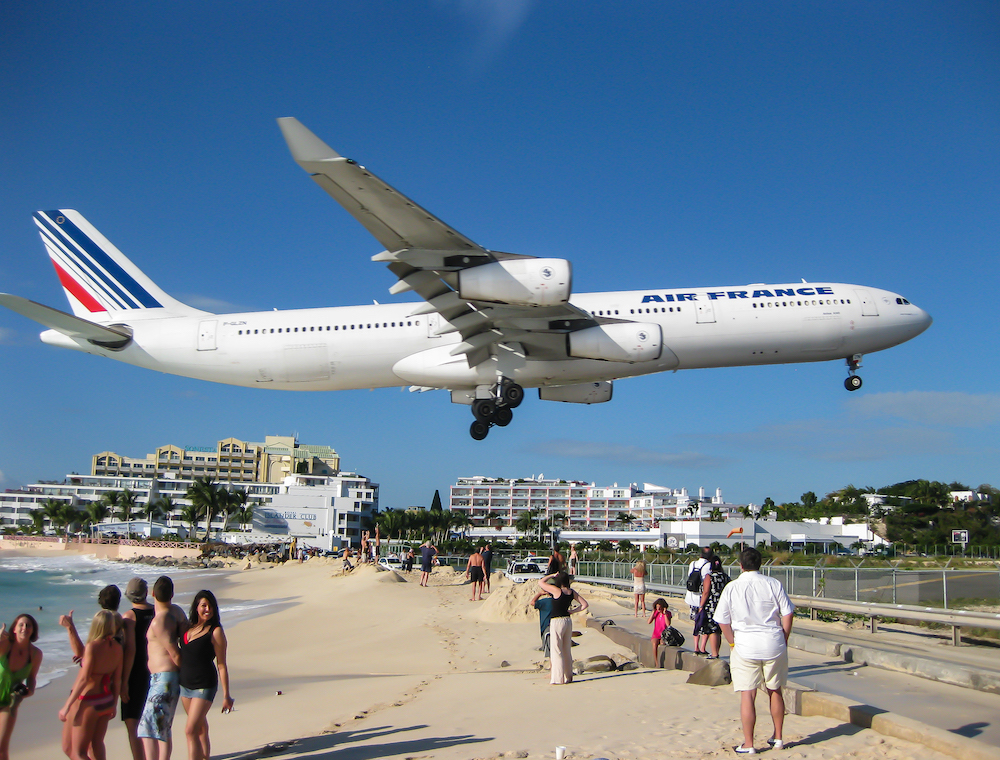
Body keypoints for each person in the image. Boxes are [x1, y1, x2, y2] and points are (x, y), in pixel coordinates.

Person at [714, 548, 795, 755]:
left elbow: (722, 619)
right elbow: (788, 612)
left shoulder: (732, 587)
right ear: (761, 564)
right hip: (773, 640)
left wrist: (732, 642)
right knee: (775, 690)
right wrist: (783, 637)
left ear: (741, 565)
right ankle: (778, 737)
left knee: (748, 694)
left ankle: (749, 744)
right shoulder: (773, 584)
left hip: (745, 643)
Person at [59, 584, 133, 757]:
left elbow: (84, 679)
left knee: (76, 751)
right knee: (97, 744)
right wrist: (114, 703)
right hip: (106, 700)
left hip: (87, 700)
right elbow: (117, 679)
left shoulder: (93, 647)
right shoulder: (117, 647)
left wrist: (67, 705)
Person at [138, 576, 189, 760]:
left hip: (164, 678)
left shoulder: (160, 620)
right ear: (172, 594)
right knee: (163, 726)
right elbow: (186, 641)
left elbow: (175, 653)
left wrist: (186, 674)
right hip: (165, 678)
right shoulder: (178, 612)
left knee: (147, 727)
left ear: (152, 593)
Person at [179, 590, 234, 760]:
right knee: (200, 727)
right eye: (203, 605)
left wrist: (226, 696)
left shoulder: (215, 631)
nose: (207, 609)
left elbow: (222, 665)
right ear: (196, 607)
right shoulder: (187, 627)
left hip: (204, 686)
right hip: (185, 686)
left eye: (210, 606)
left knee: (190, 730)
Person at [120, 578, 155, 760]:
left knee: (133, 723)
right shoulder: (158, 611)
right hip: (155, 670)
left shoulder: (129, 617)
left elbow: (131, 649)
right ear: (146, 592)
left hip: (135, 673)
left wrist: (124, 681)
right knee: (150, 722)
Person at [0, 614, 43, 760]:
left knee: (1, 748)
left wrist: (29, 691)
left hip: (10, 702)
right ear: (14, 629)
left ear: (33, 630)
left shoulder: (36, 654)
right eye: (21, 625)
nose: (25, 628)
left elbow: (31, 678)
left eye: (28, 625)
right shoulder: (5, 645)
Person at [537, 572, 588, 685]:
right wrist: (573, 611)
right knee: (566, 650)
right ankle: (568, 676)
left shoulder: (557, 591)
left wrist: (551, 575)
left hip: (557, 621)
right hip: (567, 620)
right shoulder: (571, 592)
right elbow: (584, 604)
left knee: (556, 650)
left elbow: (540, 582)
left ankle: (558, 678)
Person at [694, 555, 729, 659]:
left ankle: (714, 653)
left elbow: (706, 592)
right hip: (722, 604)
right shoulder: (725, 576)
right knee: (719, 630)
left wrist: (701, 606)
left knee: (713, 630)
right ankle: (716, 652)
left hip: (711, 605)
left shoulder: (709, 576)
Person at [685, 547, 712, 655]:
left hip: (691, 598)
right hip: (702, 600)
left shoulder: (693, 564)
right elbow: (707, 587)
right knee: (705, 624)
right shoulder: (708, 566)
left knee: (696, 624)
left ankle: (695, 647)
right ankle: (702, 648)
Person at [529, 588, 555, 658]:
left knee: (548, 650)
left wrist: (539, 594)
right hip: (557, 625)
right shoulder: (559, 602)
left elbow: (532, 602)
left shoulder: (544, 602)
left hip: (546, 627)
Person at [647, 598, 672, 667]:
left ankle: (663, 662)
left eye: (659, 607)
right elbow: (649, 622)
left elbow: (668, 624)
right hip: (656, 634)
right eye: (657, 607)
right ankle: (656, 663)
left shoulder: (668, 614)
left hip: (664, 635)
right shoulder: (656, 613)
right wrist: (653, 612)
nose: (658, 609)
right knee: (654, 644)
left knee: (662, 644)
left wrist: (664, 614)